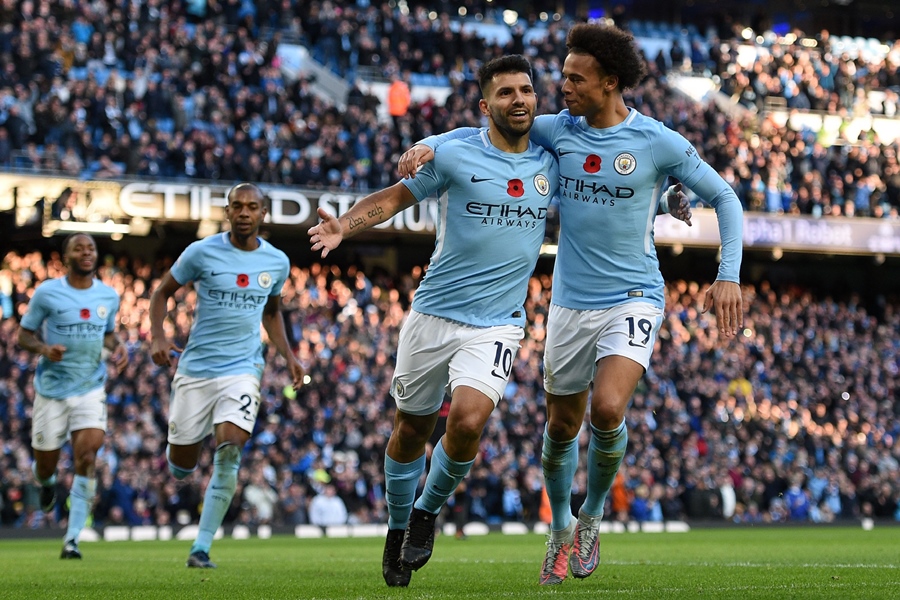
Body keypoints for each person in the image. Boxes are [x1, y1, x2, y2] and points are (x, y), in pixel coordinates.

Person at [398, 23, 743, 585]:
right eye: (560, 76)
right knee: (561, 429)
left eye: (574, 78)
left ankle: (591, 516)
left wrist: (727, 274)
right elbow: (481, 129)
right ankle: (558, 530)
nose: (561, 87)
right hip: (568, 304)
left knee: (607, 410)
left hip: (634, 295)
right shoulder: (558, 130)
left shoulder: (657, 141)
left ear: (610, 83)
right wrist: (431, 145)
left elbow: (725, 197)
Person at [308, 55, 558, 588]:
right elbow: (395, 199)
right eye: (507, 93)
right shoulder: (455, 153)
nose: (520, 100)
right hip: (432, 315)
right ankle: (397, 529)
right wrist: (344, 228)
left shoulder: (551, 159)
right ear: (485, 105)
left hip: (497, 323)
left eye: (527, 90)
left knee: (467, 422)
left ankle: (425, 512)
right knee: (411, 430)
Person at [150, 182, 304, 568]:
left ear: (263, 214)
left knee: (231, 447)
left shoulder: (276, 262)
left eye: (253, 207)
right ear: (227, 211)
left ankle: (201, 547)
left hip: (243, 368)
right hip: (196, 369)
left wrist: (288, 356)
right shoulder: (201, 252)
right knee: (181, 466)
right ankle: (182, 451)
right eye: (238, 206)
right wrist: (157, 336)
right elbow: (161, 293)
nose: (245, 213)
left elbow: (271, 313)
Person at [17, 233, 128, 559]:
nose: (86, 252)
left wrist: (118, 346)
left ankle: (72, 539)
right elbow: (25, 335)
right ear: (66, 257)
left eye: (90, 248)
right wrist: (43, 348)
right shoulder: (49, 293)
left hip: (90, 388)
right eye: (78, 248)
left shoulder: (108, 296)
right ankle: (48, 482)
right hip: (51, 391)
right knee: (45, 463)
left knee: (87, 456)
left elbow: (107, 335)